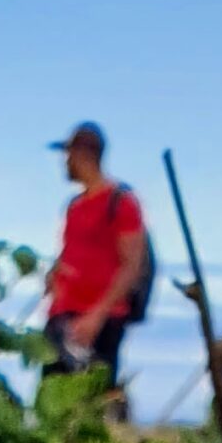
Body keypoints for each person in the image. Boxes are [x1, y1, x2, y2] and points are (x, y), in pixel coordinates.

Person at [43, 122, 149, 395]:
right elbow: (72, 255)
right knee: (51, 400)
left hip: (99, 322)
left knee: (92, 403)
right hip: (62, 318)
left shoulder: (121, 201)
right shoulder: (74, 206)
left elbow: (131, 265)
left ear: (82, 155)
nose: (65, 163)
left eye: (68, 155)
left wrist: (96, 317)